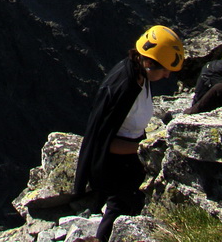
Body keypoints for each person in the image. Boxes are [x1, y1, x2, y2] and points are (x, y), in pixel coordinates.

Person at [73, 25, 185, 242]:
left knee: (128, 202)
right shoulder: (124, 88)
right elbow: (105, 143)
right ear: (150, 62)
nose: (168, 75)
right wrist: (145, 149)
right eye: (164, 70)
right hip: (117, 163)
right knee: (121, 204)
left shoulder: (138, 74)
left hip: (130, 154)